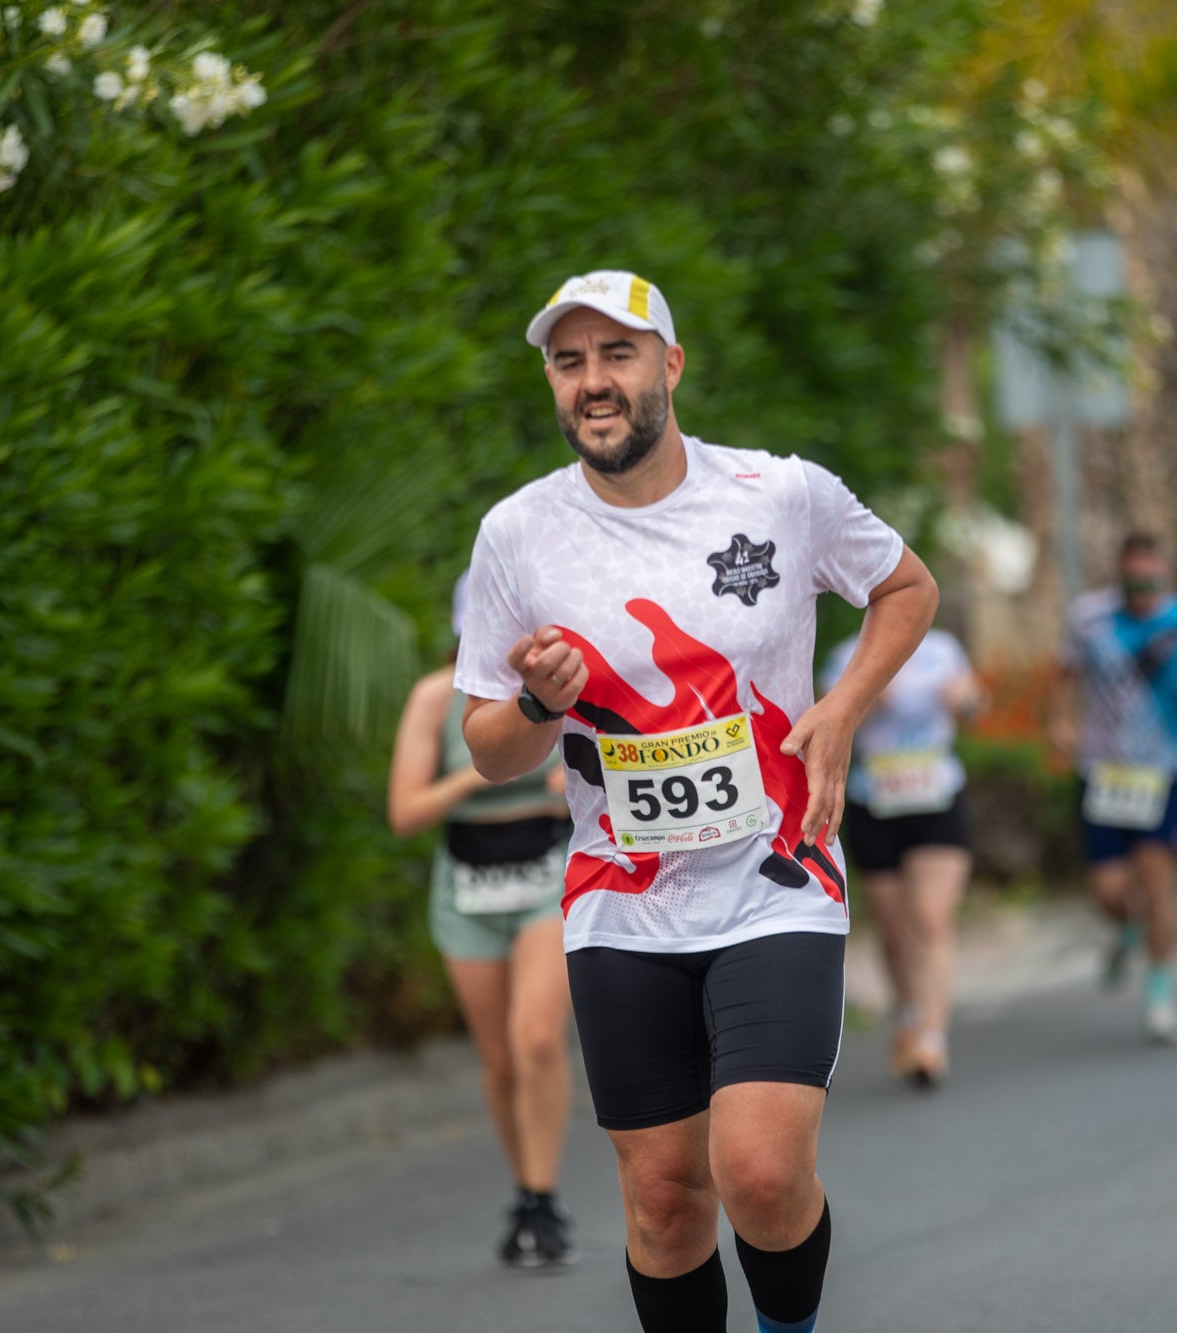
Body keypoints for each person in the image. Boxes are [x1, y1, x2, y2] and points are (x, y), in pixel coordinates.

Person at [454, 270, 937, 1333]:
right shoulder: (518, 534)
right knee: (665, 1199)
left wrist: (845, 704)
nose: (593, 382)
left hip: (779, 875)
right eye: (569, 362)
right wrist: (538, 699)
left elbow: (907, 587)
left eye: (616, 355)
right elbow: (488, 746)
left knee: (760, 1173)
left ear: (668, 366)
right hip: (620, 902)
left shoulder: (779, 494)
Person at [387, 573, 577, 1267]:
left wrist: (572, 783)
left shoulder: (562, 687)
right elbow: (405, 813)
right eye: (480, 632)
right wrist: (483, 767)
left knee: (535, 1039)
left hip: (545, 882)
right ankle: (526, 1190)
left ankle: (544, 1195)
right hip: (468, 890)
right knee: (499, 1059)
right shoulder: (435, 700)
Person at [1050, 531, 1177, 1044]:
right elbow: (1065, 673)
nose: (1143, 590)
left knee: (1157, 879)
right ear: (1120, 575)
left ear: (1166, 574)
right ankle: (1128, 927)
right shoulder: (1090, 618)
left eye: (1152, 580)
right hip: (1104, 770)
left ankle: (1161, 998)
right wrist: (1060, 722)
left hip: (1168, 769)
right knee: (1107, 891)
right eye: (1135, 581)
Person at [823, 625, 983, 1086]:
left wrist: (965, 700)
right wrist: (870, 700)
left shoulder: (942, 648)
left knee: (930, 917)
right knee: (894, 928)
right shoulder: (846, 654)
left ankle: (932, 1039)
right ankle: (909, 1012)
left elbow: (974, 707)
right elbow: (832, 723)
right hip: (875, 799)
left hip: (936, 794)